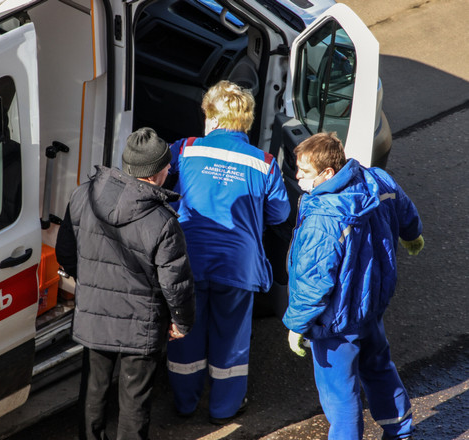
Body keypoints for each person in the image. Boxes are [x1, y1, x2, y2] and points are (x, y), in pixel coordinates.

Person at [55, 127, 196, 440]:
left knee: (93, 390)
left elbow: (65, 252)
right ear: (156, 173)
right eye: (167, 166)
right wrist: (182, 322)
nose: (170, 170)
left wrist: (91, 282)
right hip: (141, 324)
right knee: (135, 401)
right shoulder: (163, 222)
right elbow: (176, 283)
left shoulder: (84, 195)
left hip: (95, 315)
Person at [283, 132, 424, 440]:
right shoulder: (378, 181)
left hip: (335, 322)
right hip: (370, 305)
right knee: (378, 367)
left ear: (327, 173)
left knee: (340, 393)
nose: (297, 177)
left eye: (304, 171)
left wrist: (297, 324)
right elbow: (404, 208)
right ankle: (400, 430)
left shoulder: (323, 218)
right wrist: (413, 235)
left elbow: (314, 280)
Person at [165, 80, 290, 424]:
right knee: (232, 337)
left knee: (185, 329)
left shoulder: (186, 148)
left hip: (188, 260)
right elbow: (279, 213)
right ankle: (224, 408)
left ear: (214, 118)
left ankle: (185, 402)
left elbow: (158, 179)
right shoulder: (264, 163)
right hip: (238, 266)